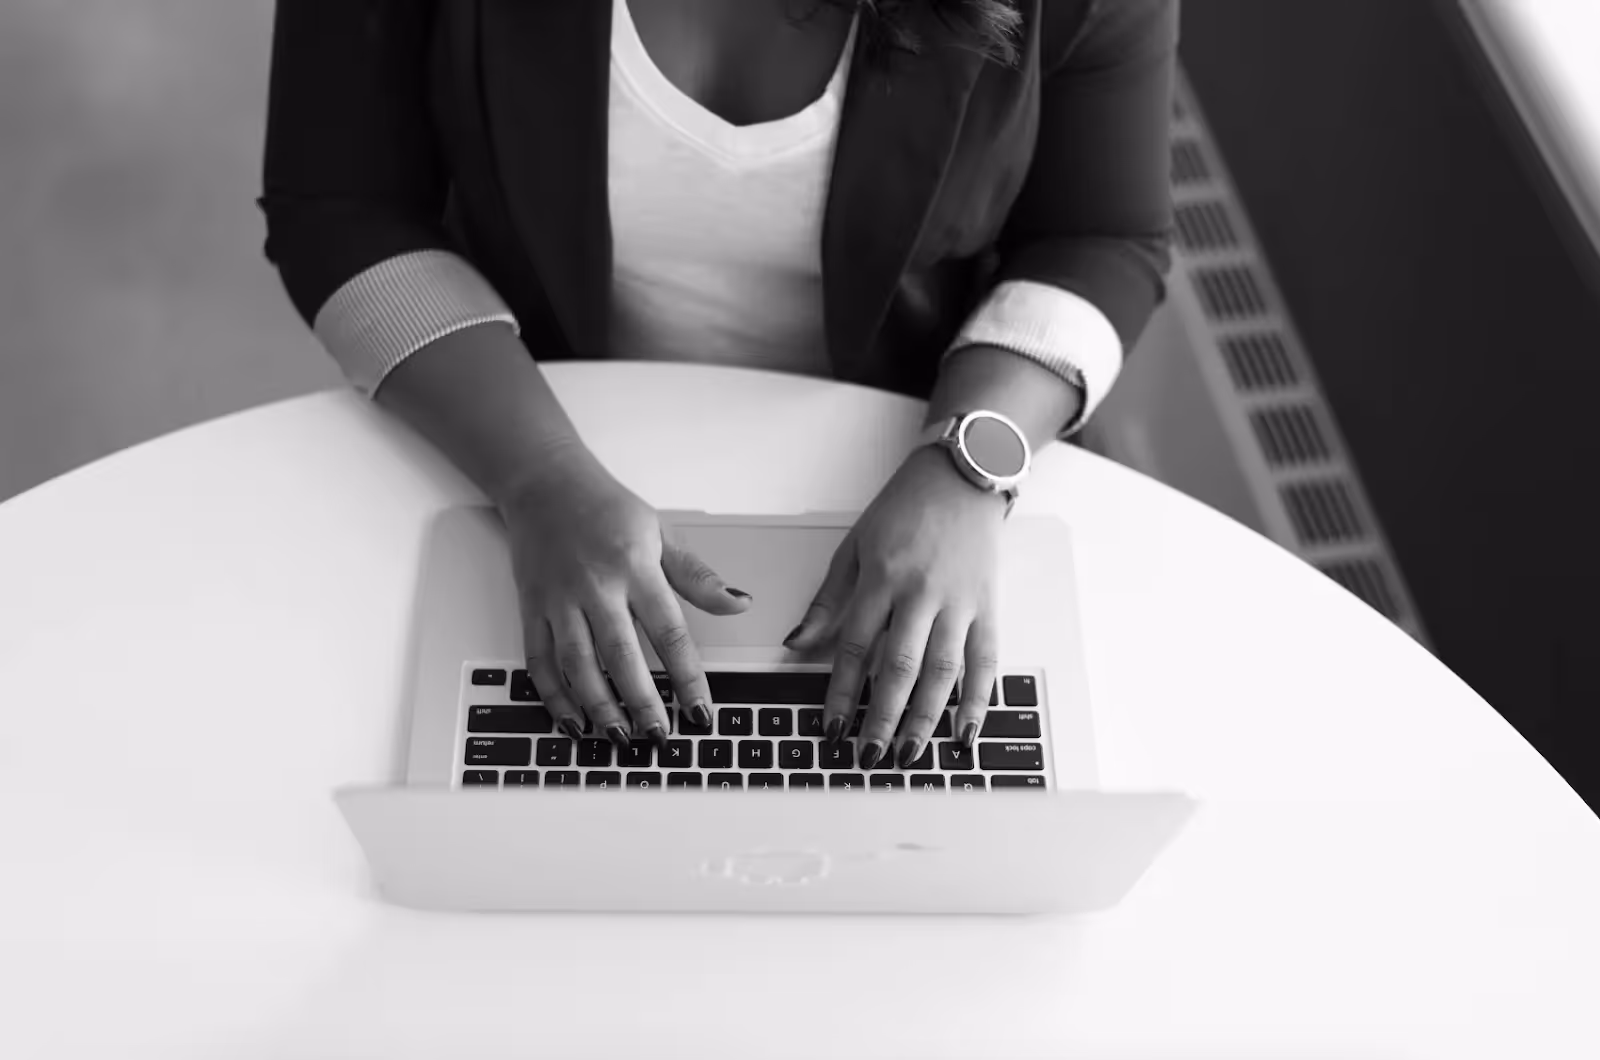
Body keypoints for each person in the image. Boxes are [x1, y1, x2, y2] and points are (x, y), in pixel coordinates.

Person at [258, 0, 1177, 774]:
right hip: (521, 415)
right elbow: (340, 207)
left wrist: (965, 469)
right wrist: (538, 476)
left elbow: (1099, 236)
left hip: (899, 450)